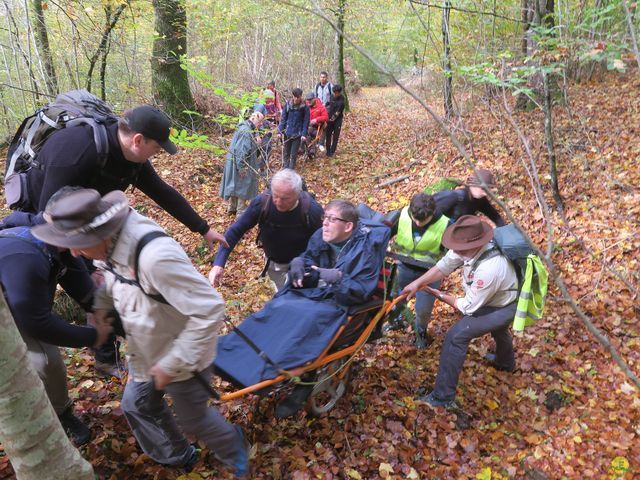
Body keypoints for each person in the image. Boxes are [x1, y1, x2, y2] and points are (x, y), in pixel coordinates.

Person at [32, 188, 249, 475]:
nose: (73, 253)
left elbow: (210, 309)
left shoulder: (154, 258)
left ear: (101, 233)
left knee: (194, 419)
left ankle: (237, 450)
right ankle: (179, 456)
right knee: (136, 404)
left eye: (79, 244)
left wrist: (170, 366)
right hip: (148, 347)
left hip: (183, 355)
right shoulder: (110, 243)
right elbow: (122, 285)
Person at [214, 200, 390, 418]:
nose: (325, 224)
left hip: (340, 303)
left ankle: (284, 374)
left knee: (305, 318)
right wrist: (298, 262)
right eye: (324, 217)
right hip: (313, 295)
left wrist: (336, 278)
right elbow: (309, 258)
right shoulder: (320, 237)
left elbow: (362, 289)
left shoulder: (366, 249)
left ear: (348, 226)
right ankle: (232, 354)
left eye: (332, 219)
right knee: (277, 307)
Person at [24, 104, 227, 250]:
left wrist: (204, 229)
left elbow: (162, 192)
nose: (158, 153)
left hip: (82, 220)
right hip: (40, 214)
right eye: (157, 148)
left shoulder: (131, 158)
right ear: (138, 140)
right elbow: (47, 222)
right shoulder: (77, 152)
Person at [0, 209, 113, 447]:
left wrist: (123, 326)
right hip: (13, 304)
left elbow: (87, 296)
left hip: (21, 301)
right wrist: (94, 336)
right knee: (45, 361)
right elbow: (39, 324)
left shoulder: (60, 250)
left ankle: (60, 413)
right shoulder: (27, 257)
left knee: (45, 361)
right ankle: (57, 417)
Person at [401, 215, 518, 408]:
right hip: (498, 296)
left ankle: (442, 398)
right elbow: (442, 267)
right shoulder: (466, 247)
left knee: (456, 337)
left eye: (457, 247)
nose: (453, 251)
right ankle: (505, 362)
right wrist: (417, 283)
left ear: (475, 244)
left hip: (504, 306)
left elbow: (468, 306)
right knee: (498, 329)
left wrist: (439, 295)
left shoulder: (491, 268)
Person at [209, 169, 323, 292]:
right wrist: (218, 263)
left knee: (297, 297)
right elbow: (235, 231)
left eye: (285, 198)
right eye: (276, 196)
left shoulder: (311, 211)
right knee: (282, 293)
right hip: (275, 265)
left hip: (303, 265)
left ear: (298, 194)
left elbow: (323, 243)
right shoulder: (263, 203)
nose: (278, 202)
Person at [387, 193, 449, 348]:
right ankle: (397, 322)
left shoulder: (446, 225)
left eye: (423, 220)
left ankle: (421, 332)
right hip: (403, 267)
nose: (418, 222)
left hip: (429, 274)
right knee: (397, 298)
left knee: (423, 309)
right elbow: (384, 233)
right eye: (415, 218)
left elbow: (453, 254)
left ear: (432, 213)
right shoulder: (402, 215)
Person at [220, 111, 265, 216]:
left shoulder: (246, 128)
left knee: (235, 183)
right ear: (253, 118)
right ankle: (240, 212)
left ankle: (232, 207)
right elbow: (242, 151)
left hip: (235, 161)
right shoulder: (246, 131)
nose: (261, 124)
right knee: (243, 185)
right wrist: (242, 167)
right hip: (241, 162)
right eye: (261, 121)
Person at [434, 169, 505, 226]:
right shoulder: (454, 196)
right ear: (472, 185)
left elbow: (495, 217)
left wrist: (505, 232)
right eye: (483, 189)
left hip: (461, 234)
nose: (485, 193)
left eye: (488, 190)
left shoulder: (480, 200)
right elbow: (428, 212)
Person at [278, 88, 309, 170]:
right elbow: (283, 119)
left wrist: (304, 134)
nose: (296, 99)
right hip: (287, 133)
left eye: (297, 97)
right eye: (294, 96)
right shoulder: (288, 105)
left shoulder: (305, 107)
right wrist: (279, 131)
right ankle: (286, 169)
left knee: (293, 154)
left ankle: (291, 170)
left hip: (298, 134)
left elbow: (306, 121)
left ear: (301, 97)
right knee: (286, 152)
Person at [304, 92, 329, 159]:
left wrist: (316, 120)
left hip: (318, 126)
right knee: (305, 134)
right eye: (307, 100)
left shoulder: (321, 107)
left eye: (310, 100)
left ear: (314, 99)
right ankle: (306, 149)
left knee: (313, 135)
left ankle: (312, 150)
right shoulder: (306, 106)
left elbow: (326, 117)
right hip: (308, 125)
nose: (308, 101)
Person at [325, 84, 346, 157]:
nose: (335, 94)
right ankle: (328, 151)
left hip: (337, 120)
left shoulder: (342, 101)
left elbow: (338, 112)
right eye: (334, 92)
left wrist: (332, 119)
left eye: (336, 93)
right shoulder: (331, 96)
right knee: (328, 135)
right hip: (329, 118)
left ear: (339, 92)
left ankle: (332, 150)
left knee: (335, 136)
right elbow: (328, 104)